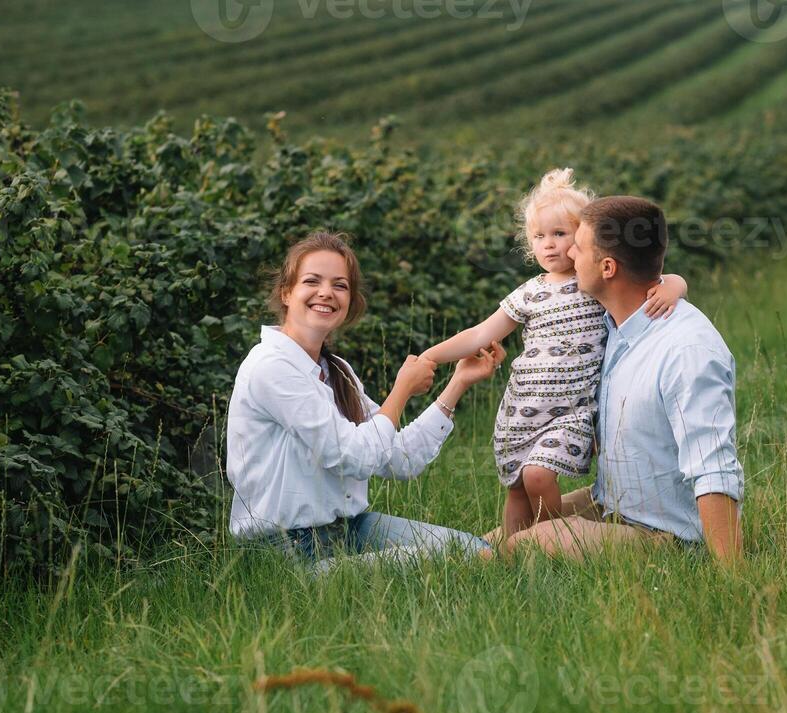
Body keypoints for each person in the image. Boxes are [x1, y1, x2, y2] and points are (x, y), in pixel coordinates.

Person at [422, 169, 688, 538]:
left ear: (581, 236)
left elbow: (656, 278)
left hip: (570, 412)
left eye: (560, 234)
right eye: (539, 236)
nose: (548, 244)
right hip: (521, 409)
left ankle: (552, 540)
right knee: (517, 487)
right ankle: (508, 556)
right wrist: (431, 356)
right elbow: (482, 332)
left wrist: (675, 285)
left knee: (538, 475)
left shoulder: (594, 282)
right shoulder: (528, 293)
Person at [226, 231, 504, 567]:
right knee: (471, 558)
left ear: (350, 299)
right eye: (312, 281)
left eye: (340, 285)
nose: (326, 293)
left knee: (474, 551)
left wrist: (458, 381)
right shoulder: (271, 366)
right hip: (289, 549)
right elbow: (350, 456)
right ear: (287, 292)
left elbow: (399, 459)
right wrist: (401, 390)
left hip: (350, 529)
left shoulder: (337, 370)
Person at [502, 196, 744, 562]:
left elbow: (714, 468)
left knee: (522, 546)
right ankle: (394, 555)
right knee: (498, 539)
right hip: (611, 505)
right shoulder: (612, 324)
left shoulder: (686, 350)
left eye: (579, 249)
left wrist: (733, 578)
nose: (569, 257)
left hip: (666, 535)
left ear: (608, 268)